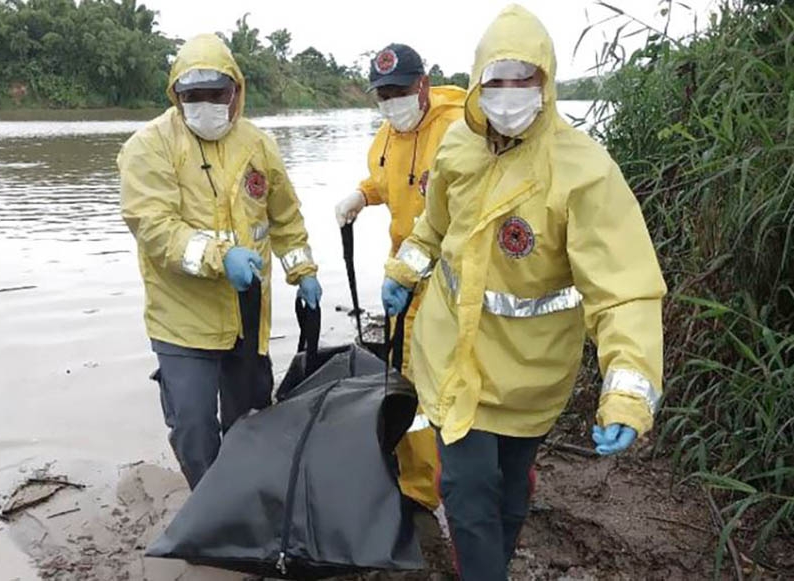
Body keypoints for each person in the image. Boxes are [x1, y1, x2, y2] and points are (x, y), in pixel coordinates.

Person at [381, 5, 667, 579]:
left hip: (530, 374)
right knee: (467, 488)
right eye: (496, 80)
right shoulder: (458, 146)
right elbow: (434, 226)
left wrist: (629, 389)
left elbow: (624, 289)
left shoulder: (583, 171)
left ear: (547, 82)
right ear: (478, 81)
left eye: (523, 79)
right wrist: (403, 272)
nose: (508, 94)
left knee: (510, 493)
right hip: (452, 356)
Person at [118, 33, 322, 489]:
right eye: (195, 96)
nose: (207, 104)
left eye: (217, 94)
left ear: (236, 92)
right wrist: (219, 256)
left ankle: (245, 498)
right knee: (193, 427)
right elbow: (154, 227)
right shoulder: (148, 147)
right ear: (177, 96)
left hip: (245, 320)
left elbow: (285, 217)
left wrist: (302, 270)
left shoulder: (258, 145)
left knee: (249, 420)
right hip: (181, 320)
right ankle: (210, 506)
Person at [335, 43, 465, 512]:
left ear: (423, 85)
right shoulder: (387, 136)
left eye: (399, 90)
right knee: (407, 380)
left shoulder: (457, 130)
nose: (391, 101)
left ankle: (438, 483)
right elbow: (385, 179)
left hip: (449, 284)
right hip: (403, 279)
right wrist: (361, 196)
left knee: (443, 383)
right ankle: (417, 487)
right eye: (382, 93)